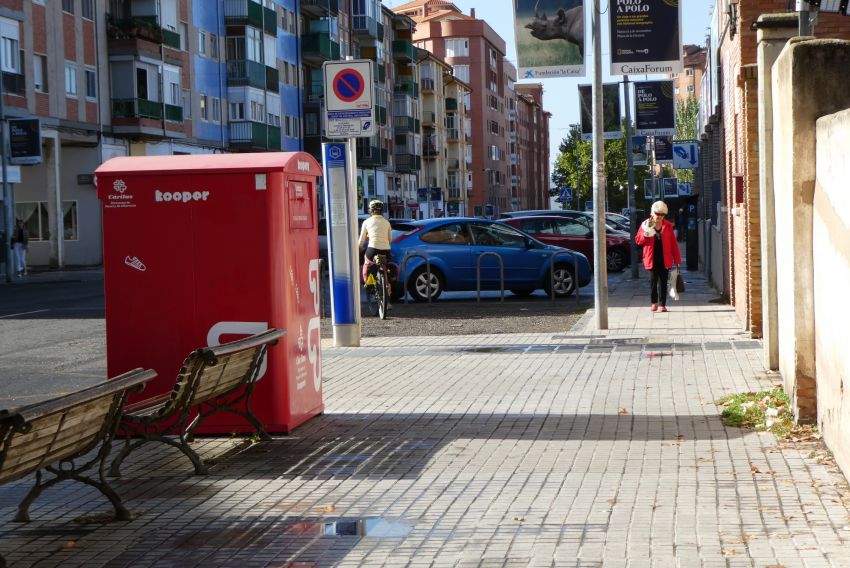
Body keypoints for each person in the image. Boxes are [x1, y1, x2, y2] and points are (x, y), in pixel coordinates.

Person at [634, 200, 681, 313]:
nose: (659, 216)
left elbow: (673, 243)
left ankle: (662, 304)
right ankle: (654, 302)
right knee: (653, 281)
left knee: (663, 282)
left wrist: (677, 259)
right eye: (657, 214)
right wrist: (646, 234)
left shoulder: (668, 225)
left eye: (662, 214)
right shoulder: (647, 224)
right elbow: (638, 241)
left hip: (665, 258)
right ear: (652, 212)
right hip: (651, 258)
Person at [358, 199, 393, 290]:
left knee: (367, 262)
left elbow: (361, 240)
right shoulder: (387, 223)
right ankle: (387, 284)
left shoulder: (366, 222)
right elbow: (390, 239)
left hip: (372, 249)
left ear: (370, 210)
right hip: (386, 250)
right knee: (385, 264)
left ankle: (367, 282)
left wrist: (359, 248)